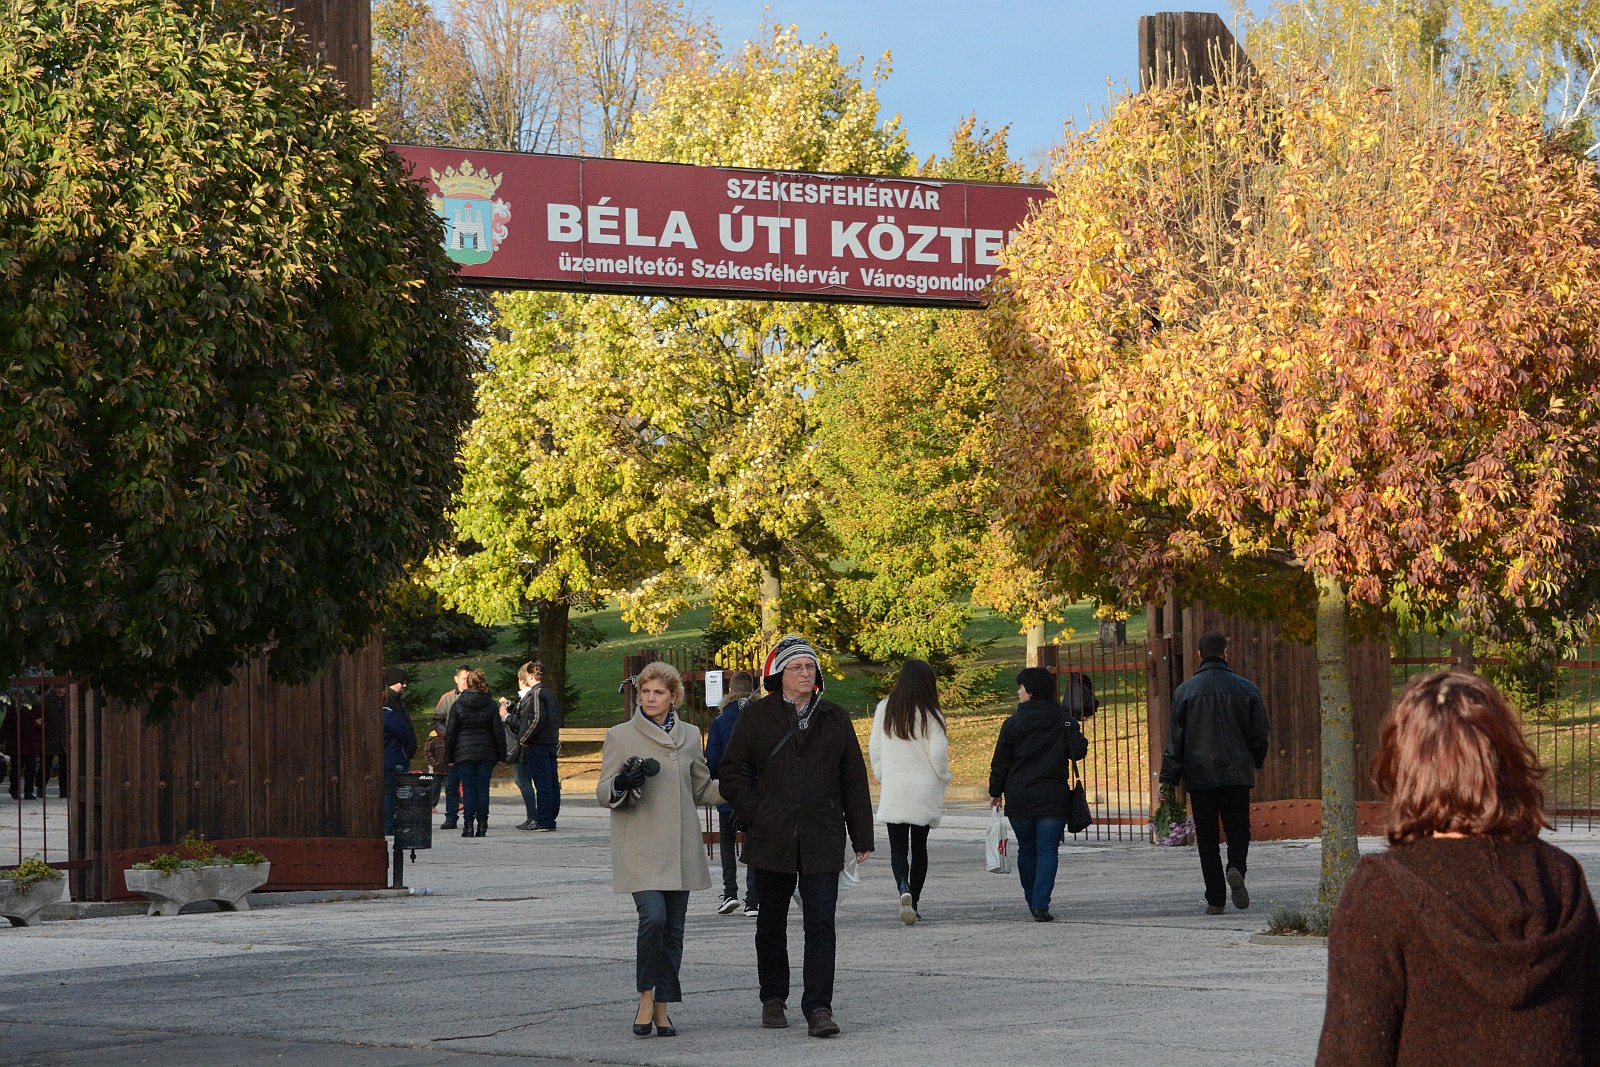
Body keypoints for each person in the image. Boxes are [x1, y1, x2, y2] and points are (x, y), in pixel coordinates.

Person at [1317, 670, 1600, 1065]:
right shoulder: (1561, 880)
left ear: (1403, 767)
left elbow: (1351, 1054)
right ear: (1504, 759)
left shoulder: (1380, 893)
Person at [719, 635, 874, 1039]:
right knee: (770, 922)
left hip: (822, 836)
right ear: (778, 675)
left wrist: (861, 834)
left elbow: (853, 779)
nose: (805, 674)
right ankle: (773, 997)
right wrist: (758, 811)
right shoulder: (756, 717)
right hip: (771, 837)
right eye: (796, 668)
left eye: (810, 667)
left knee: (821, 923)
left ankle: (819, 1007)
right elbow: (732, 772)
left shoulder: (835, 717)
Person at [596, 661, 722, 1039]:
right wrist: (622, 780)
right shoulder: (620, 735)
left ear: (673, 697)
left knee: (675, 930)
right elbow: (604, 791)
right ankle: (646, 997)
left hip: (681, 849)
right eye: (645, 691)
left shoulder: (689, 734)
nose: (650, 699)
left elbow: (702, 789)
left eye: (658, 693)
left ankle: (664, 1007)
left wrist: (742, 786)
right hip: (640, 847)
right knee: (653, 919)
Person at [1158, 630, 1269, 915]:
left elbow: (1176, 740)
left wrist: (1169, 778)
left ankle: (1216, 898)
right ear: (1225, 653)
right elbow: (1260, 734)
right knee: (1238, 829)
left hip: (1200, 775)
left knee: (1207, 837)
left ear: (1199, 655)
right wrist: (1254, 760)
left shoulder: (1185, 691)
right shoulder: (1246, 688)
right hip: (1236, 773)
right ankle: (1236, 867)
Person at [988, 666, 1088, 922]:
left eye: (1020, 687)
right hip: (1053, 796)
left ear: (1030, 692)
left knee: (1027, 849)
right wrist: (1076, 729)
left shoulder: (1013, 724)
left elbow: (1001, 761)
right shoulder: (1063, 720)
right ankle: (1041, 903)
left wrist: (995, 791)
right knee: (1048, 850)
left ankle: (1031, 897)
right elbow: (1078, 751)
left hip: (1020, 795)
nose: (1018, 692)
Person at [870, 658, 951, 926]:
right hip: (923, 788)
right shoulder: (931, 714)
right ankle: (913, 902)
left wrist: (884, 775)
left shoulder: (885, 709)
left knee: (897, 850)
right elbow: (938, 753)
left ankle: (902, 887)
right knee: (920, 848)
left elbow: (875, 749)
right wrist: (944, 776)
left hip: (896, 786)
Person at [704, 670, 759, 916]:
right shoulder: (760, 718)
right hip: (754, 791)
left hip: (728, 790)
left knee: (726, 841)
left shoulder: (720, 722)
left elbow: (712, 758)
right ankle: (753, 899)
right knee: (753, 843)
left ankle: (729, 893)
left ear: (730, 692)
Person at [444, 669, 504, 837]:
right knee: (483, 789)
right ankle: (483, 824)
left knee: (469, 790)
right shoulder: (491, 704)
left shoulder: (458, 704)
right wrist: (501, 755)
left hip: (464, 752)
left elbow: (451, 733)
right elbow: (498, 732)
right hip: (486, 752)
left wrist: (449, 757)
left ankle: (468, 826)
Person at [381, 667, 417, 836]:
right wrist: (408, 745)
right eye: (401, 682)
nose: (404, 686)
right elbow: (403, 731)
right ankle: (388, 825)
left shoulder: (397, 702)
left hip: (391, 756)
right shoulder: (389, 710)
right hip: (393, 757)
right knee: (390, 793)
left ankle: (388, 824)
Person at [436, 665, 472, 830]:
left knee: (470, 784)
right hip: (452, 746)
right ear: (456, 679)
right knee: (451, 784)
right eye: (464, 678)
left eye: (469, 678)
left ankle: (470, 817)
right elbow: (437, 720)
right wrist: (447, 733)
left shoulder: (477, 697)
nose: (467, 682)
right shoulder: (447, 698)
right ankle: (451, 817)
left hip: (470, 747)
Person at [422, 712, 447, 812]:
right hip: (436, 766)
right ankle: (432, 805)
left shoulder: (449, 736)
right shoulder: (433, 737)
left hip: (446, 765)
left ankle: (458, 802)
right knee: (435, 787)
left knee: (450, 786)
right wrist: (433, 763)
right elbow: (427, 752)